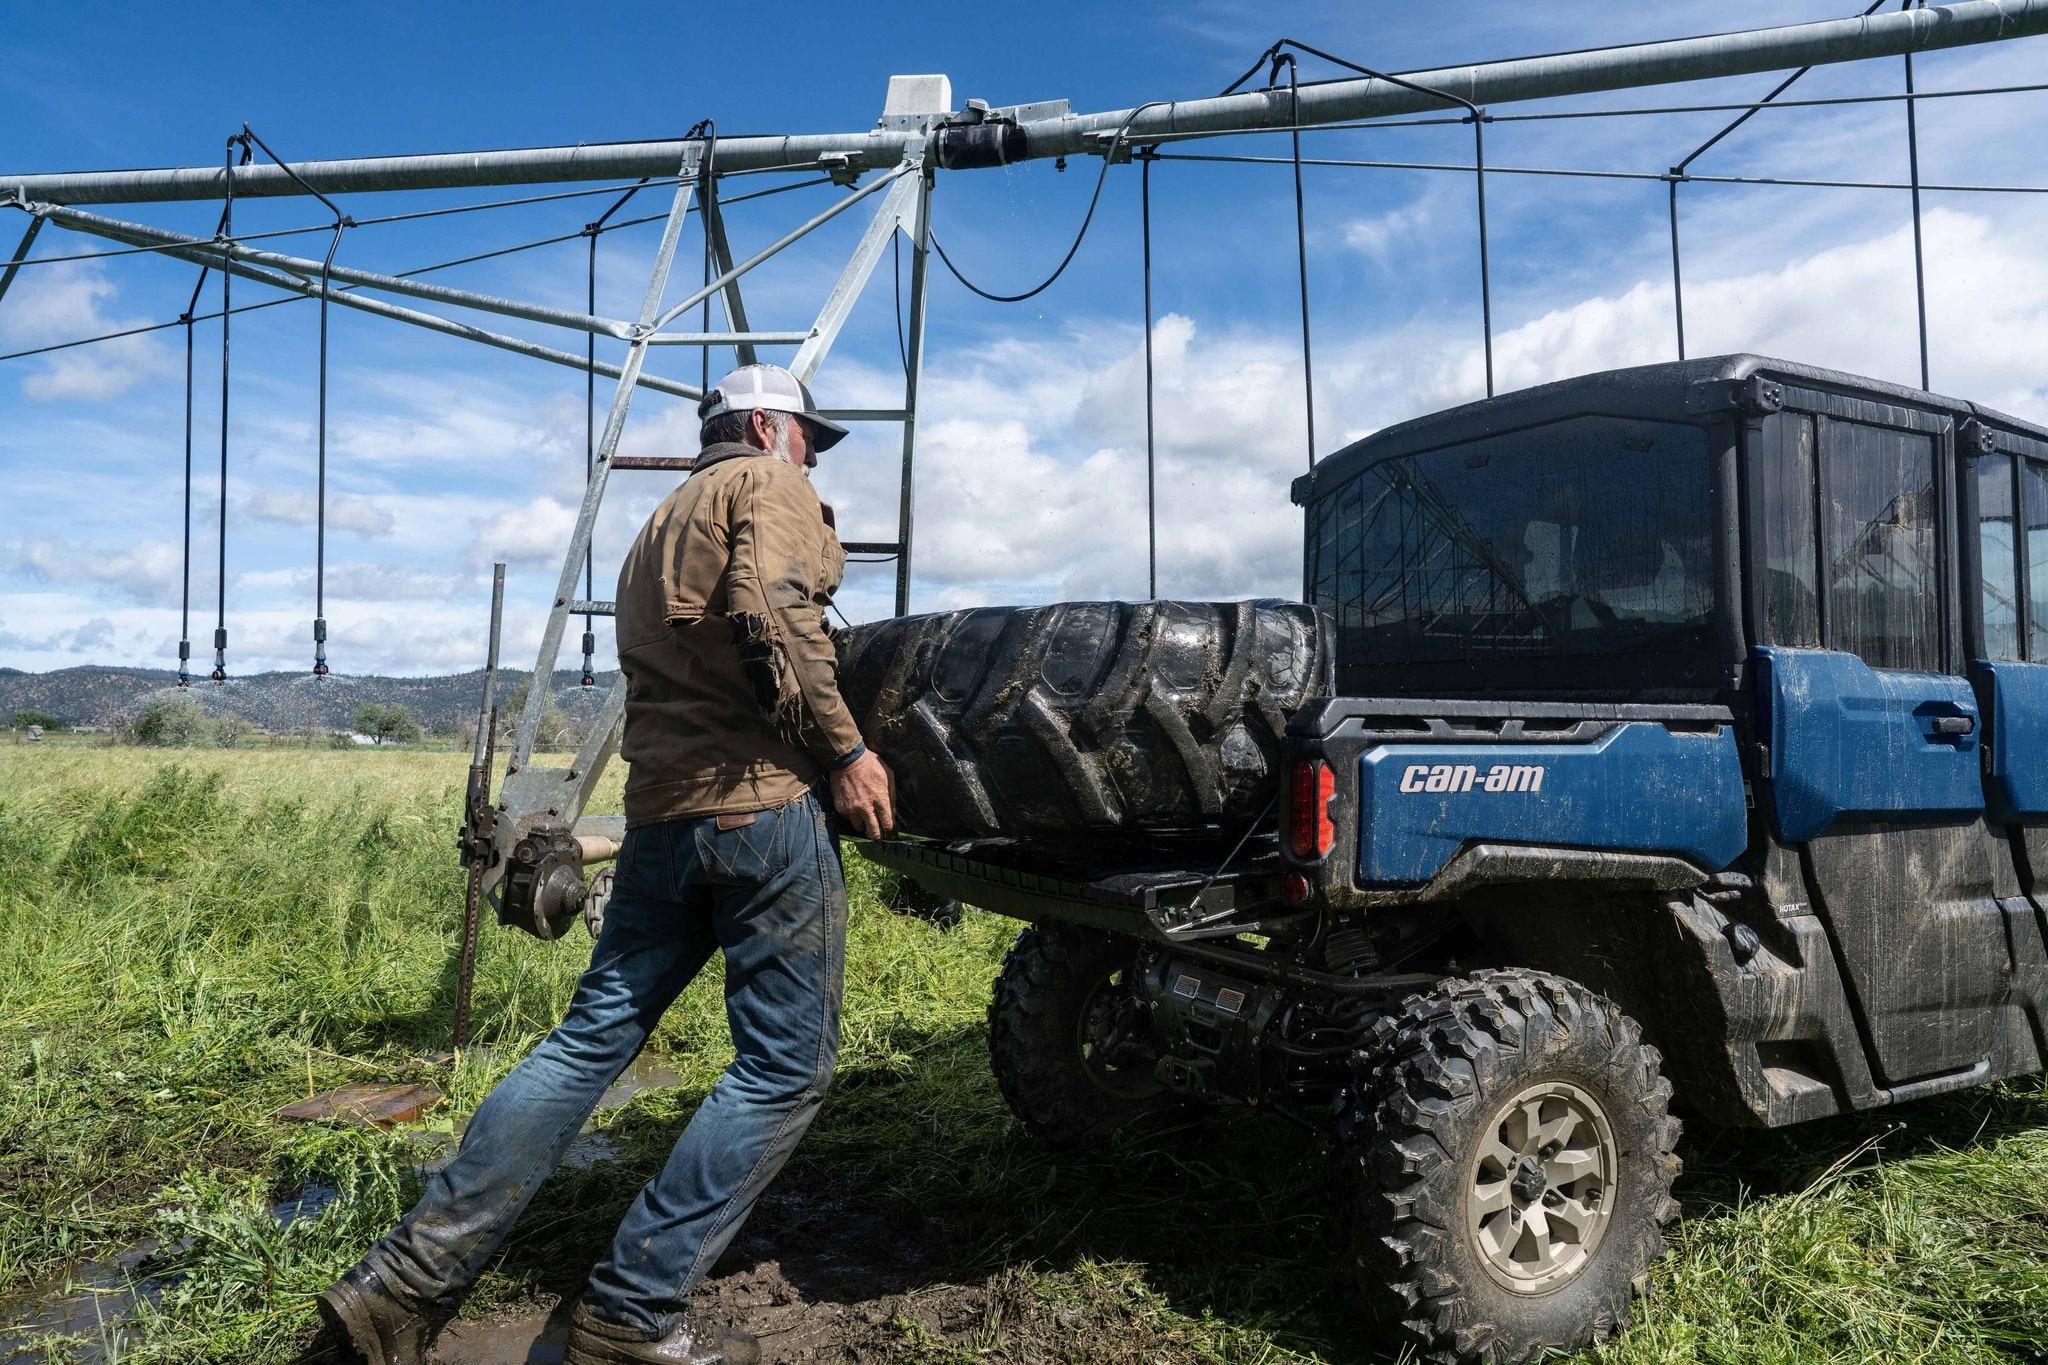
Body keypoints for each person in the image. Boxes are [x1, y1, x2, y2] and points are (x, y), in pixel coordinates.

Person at [318, 363, 896, 1365]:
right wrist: (845, 752)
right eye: (809, 435)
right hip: (758, 807)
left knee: (589, 1039)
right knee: (781, 1066)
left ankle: (404, 1284)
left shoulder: (659, 521)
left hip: (663, 815)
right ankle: (632, 1310)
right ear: (766, 425)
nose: (812, 454)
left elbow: (702, 639)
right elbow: (774, 606)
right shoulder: (769, 485)